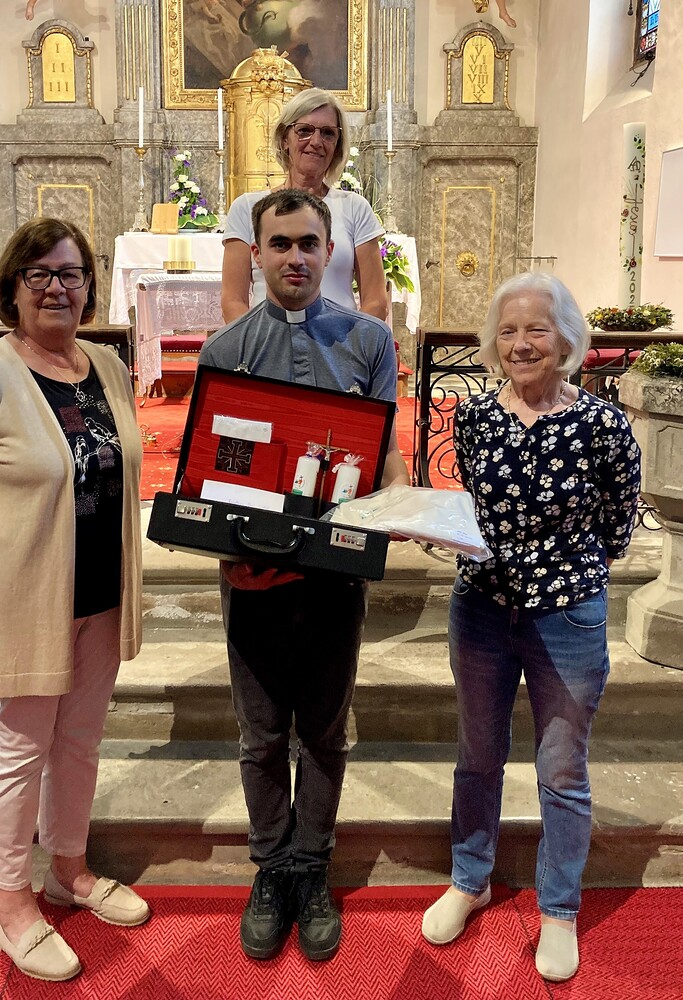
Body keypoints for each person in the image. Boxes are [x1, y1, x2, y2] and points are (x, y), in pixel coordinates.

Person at [0, 218, 148, 982]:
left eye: (70, 273)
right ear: (12, 288)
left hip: (101, 598)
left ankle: (68, 871)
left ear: (88, 286)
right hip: (27, 603)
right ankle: (10, 902)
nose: (56, 287)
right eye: (38, 274)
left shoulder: (106, 366)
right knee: (18, 754)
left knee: (78, 742)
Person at [200, 189, 410, 963]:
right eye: (280, 243)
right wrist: (224, 546)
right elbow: (214, 469)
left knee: (322, 731)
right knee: (260, 735)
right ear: (254, 253)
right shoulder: (227, 349)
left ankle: (309, 866)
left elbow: (383, 449)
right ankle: (270, 867)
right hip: (253, 575)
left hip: (332, 576)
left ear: (330, 252)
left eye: (308, 243)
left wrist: (395, 510)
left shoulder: (367, 341)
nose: (295, 257)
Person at [420, 273, 641, 982]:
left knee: (562, 768)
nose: (520, 343)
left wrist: (564, 573)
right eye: (508, 330)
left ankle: (558, 909)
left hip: (568, 615)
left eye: (536, 329)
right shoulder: (476, 418)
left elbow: (618, 523)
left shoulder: (603, 425)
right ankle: (470, 879)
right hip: (482, 608)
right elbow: (475, 509)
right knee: (477, 754)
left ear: (565, 338)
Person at [221, 87, 388, 324]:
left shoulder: (355, 208)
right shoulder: (247, 208)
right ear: (284, 139)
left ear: (337, 145)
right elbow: (233, 300)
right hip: (267, 340)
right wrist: (255, 342)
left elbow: (376, 301)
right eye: (304, 131)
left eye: (328, 133)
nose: (316, 142)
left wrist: (350, 343)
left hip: (340, 341)